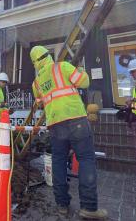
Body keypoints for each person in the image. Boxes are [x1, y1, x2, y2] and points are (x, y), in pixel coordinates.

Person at [30, 45, 107, 220]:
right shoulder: (62, 66)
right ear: (47, 55)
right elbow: (84, 82)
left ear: (35, 63)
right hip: (76, 119)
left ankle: (62, 206)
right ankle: (89, 207)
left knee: (58, 163)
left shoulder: (36, 83)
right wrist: (80, 69)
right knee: (86, 159)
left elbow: (40, 103)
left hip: (55, 125)